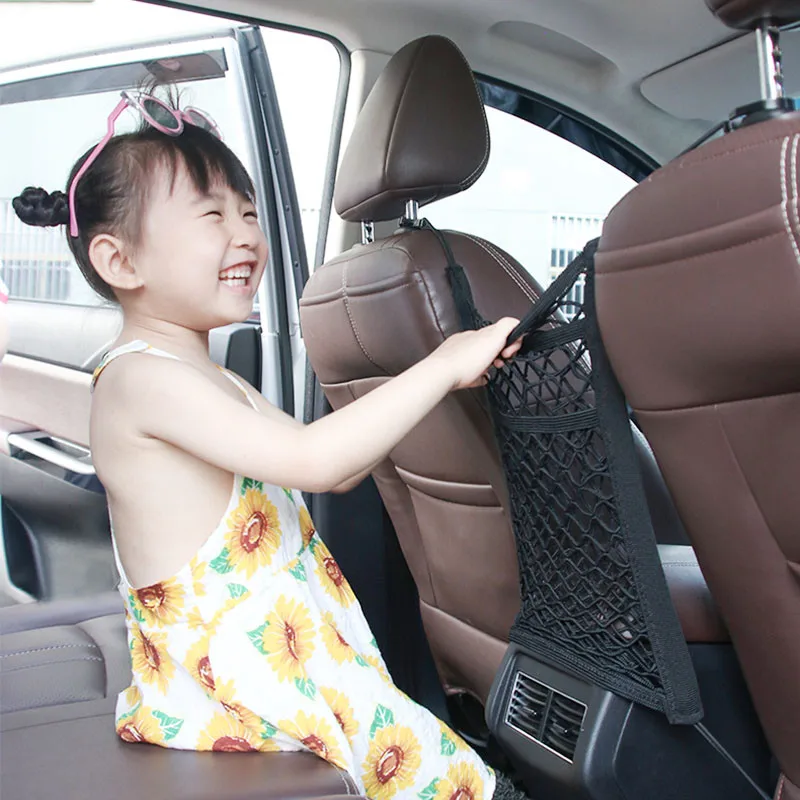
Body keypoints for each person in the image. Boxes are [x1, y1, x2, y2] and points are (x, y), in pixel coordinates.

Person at [13, 90, 527, 800]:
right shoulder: (141, 380)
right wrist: (442, 363)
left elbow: (329, 462)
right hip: (241, 695)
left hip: (277, 674)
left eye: (249, 212)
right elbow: (317, 461)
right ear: (120, 261)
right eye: (212, 216)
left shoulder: (210, 378)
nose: (247, 236)